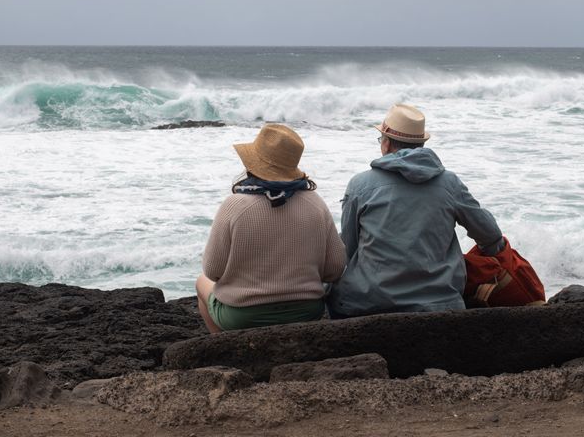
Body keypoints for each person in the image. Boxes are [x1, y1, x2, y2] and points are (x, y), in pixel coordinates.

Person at [327, 103, 504, 318]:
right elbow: (491, 236)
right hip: (441, 303)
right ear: (421, 144)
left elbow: (348, 249)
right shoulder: (450, 183)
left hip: (368, 302)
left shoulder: (360, 185)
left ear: (387, 143)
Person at [196, 123, 346, 333]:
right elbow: (335, 269)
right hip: (306, 311)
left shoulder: (235, 205)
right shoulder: (316, 203)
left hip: (243, 316)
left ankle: (224, 349)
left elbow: (213, 271)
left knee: (201, 282)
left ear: (252, 163)